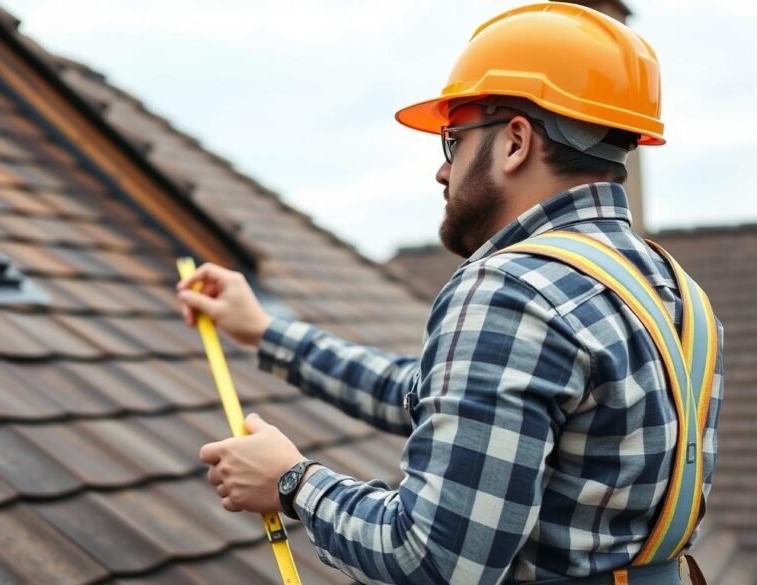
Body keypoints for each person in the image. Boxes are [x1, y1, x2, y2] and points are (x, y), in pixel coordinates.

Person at [176, 3, 722, 584]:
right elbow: (437, 396)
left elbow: (436, 562)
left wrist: (293, 484)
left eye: (453, 140)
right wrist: (263, 331)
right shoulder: (672, 290)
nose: (443, 171)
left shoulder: (513, 292)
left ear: (515, 142)